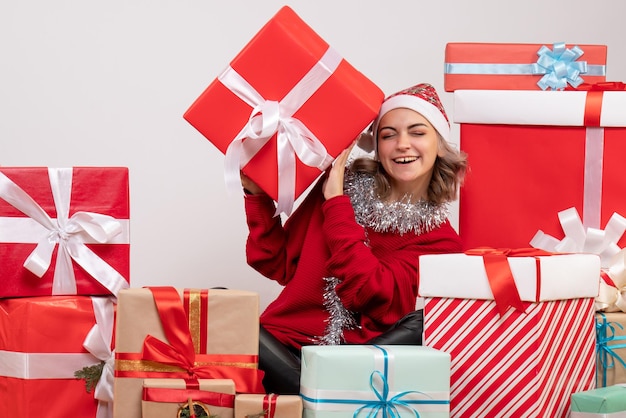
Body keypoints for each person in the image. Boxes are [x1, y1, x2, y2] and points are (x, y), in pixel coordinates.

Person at [240, 83, 467, 394]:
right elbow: (275, 263)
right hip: (278, 346)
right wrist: (256, 196)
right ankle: (307, 395)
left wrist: (336, 204)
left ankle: (311, 396)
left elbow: (369, 293)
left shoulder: (441, 244)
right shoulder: (341, 184)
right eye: (388, 135)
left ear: (440, 145)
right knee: (218, 309)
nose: (402, 144)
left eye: (417, 132)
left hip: (346, 369)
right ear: (377, 146)